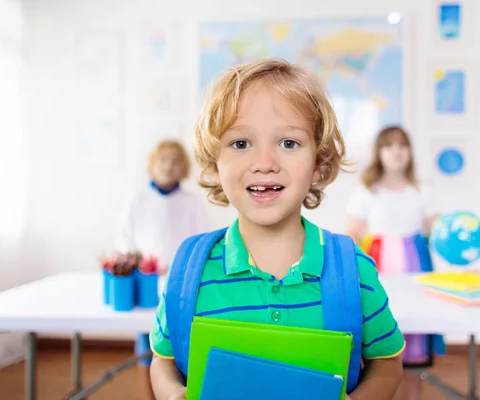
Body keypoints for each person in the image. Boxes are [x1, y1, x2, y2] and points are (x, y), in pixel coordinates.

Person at [148, 58, 405, 400]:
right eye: (240, 144)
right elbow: (163, 362)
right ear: (215, 163)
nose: (265, 163)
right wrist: (170, 395)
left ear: (319, 163)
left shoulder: (353, 267)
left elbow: (387, 363)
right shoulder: (188, 269)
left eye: (288, 143)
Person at [345, 125, 443, 399]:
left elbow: (439, 232)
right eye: (389, 145)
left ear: (410, 151)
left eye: (402, 145)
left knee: (415, 320)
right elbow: (351, 234)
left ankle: (412, 386)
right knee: (382, 314)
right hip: (378, 261)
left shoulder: (422, 190)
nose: (396, 151)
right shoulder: (366, 190)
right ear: (379, 152)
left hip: (415, 259)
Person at [115, 138, 208, 400]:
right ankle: (149, 393)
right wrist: (141, 264)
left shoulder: (191, 202)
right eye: (163, 160)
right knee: (147, 340)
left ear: (184, 168)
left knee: (175, 339)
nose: (169, 166)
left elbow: (202, 240)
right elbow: (124, 239)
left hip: (179, 280)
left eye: (176, 161)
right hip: (145, 280)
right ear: (152, 164)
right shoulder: (137, 200)